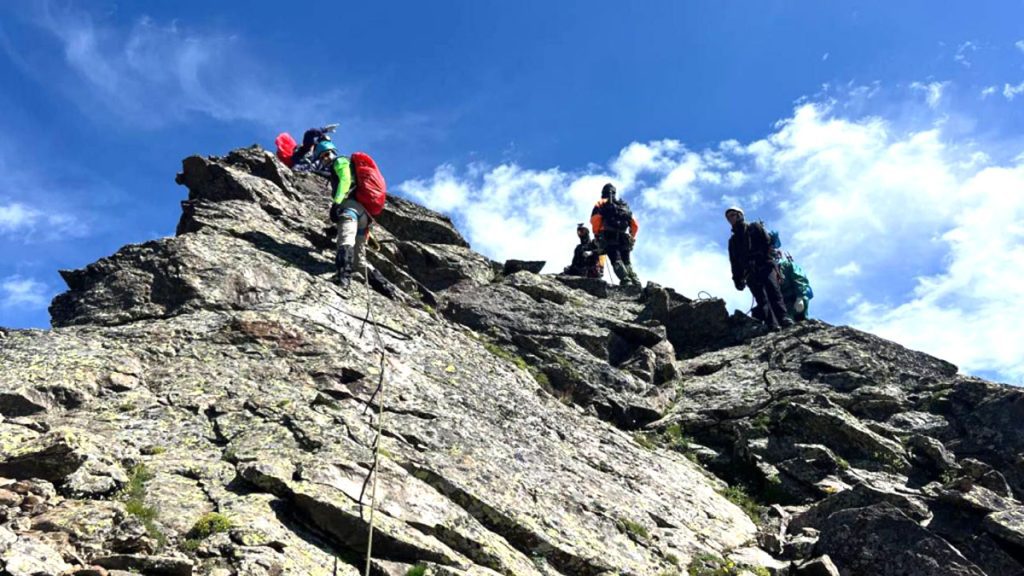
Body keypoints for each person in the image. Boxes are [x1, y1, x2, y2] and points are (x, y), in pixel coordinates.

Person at [726, 206, 793, 330]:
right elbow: (734, 262)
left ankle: (783, 318)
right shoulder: (733, 241)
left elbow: (767, 242)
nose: (730, 218)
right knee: (761, 299)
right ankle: (772, 324)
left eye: (733, 214)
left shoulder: (754, 227)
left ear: (740, 215)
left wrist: (763, 258)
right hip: (750, 272)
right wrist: (737, 279)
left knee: (773, 291)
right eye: (728, 217)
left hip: (765, 265)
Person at [319, 140, 368, 290]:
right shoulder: (341, 166)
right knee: (359, 262)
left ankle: (343, 279)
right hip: (363, 215)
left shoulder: (340, 161)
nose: (325, 158)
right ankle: (387, 289)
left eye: (326, 154)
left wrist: (337, 203)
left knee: (345, 241)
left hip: (350, 209)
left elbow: (345, 180)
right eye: (321, 157)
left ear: (334, 152)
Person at [590, 183, 640, 287]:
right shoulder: (623, 205)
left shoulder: (601, 203)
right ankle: (636, 281)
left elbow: (595, 219)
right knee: (626, 260)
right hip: (624, 237)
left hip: (608, 235)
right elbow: (635, 224)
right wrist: (632, 236)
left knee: (616, 259)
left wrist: (597, 234)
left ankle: (626, 281)